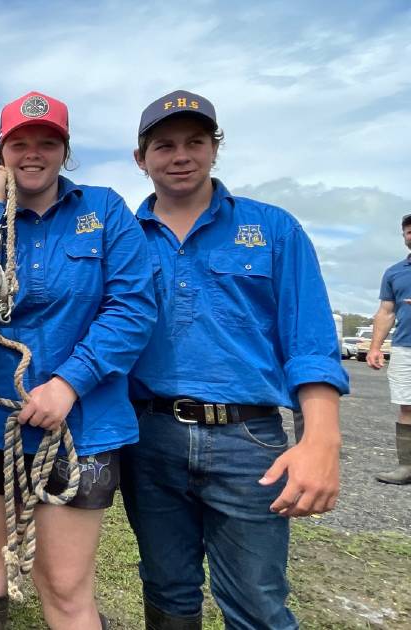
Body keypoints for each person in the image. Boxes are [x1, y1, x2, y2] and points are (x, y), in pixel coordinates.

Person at [123, 90, 349, 629]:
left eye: (195, 142)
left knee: (255, 601)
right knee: (167, 587)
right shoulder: (122, 237)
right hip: (149, 437)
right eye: (165, 145)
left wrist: (320, 440)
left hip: (249, 443)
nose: (181, 155)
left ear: (214, 148)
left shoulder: (273, 229)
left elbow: (310, 343)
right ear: (141, 158)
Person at [0, 91, 157, 630]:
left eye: (46, 142)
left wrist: (68, 383)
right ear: (1, 152)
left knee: (63, 584)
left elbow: (132, 307)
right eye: (19, 144)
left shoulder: (105, 211)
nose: (32, 154)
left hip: (82, 424)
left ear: (65, 149)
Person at [369, 214, 411, 484]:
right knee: (407, 407)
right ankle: (406, 467)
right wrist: (375, 347)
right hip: (405, 349)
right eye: (408, 231)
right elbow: (386, 312)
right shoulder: (395, 272)